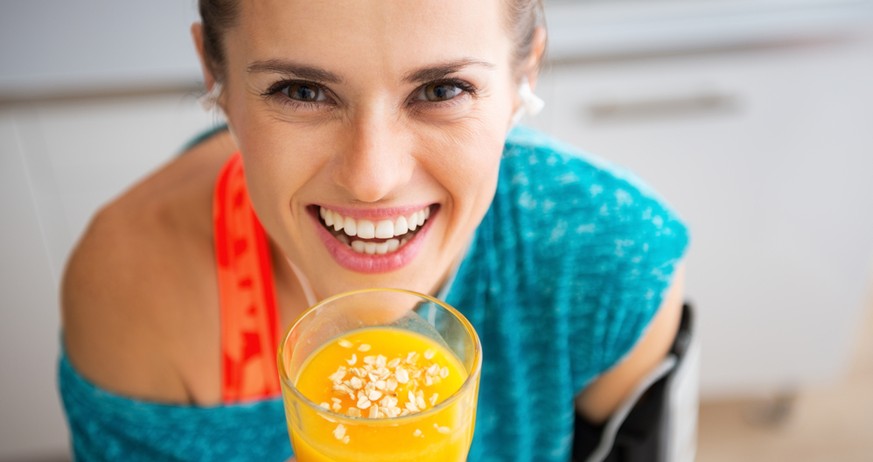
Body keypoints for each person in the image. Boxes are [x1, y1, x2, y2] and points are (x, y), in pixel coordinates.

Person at [58, 0, 689, 461]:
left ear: (524, 74)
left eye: (441, 89)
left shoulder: (611, 257)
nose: (371, 179)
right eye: (302, 91)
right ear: (214, 74)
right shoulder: (132, 286)